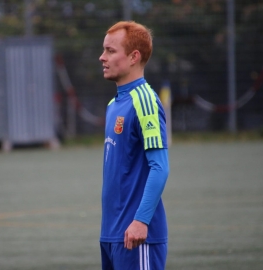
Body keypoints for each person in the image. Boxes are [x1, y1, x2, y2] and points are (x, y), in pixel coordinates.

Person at [99, 21, 170, 269]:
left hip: (137, 237)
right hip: (112, 234)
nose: (102, 57)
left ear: (133, 57)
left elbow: (160, 167)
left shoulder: (145, 101)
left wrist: (141, 221)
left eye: (110, 50)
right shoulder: (114, 104)